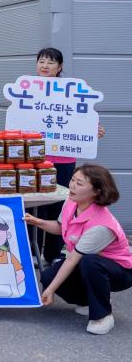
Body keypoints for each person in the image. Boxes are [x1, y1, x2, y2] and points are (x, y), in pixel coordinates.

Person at [25, 164, 132, 335]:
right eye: (73, 180)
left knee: (89, 261)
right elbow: (60, 227)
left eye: (79, 183)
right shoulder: (71, 202)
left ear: (96, 191)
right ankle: (88, 301)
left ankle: (103, 315)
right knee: (47, 277)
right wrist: (37, 222)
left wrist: (50, 291)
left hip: (120, 272)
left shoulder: (101, 225)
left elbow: (71, 259)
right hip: (87, 262)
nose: (72, 186)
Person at [34, 47, 107, 263]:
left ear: (60, 67)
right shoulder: (27, 90)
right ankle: (32, 251)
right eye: (41, 61)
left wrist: (93, 131)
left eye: (50, 62)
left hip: (63, 159)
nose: (45, 66)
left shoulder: (71, 91)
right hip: (35, 160)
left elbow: (81, 118)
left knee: (61, 204)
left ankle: (53, 253)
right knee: (35, 204)